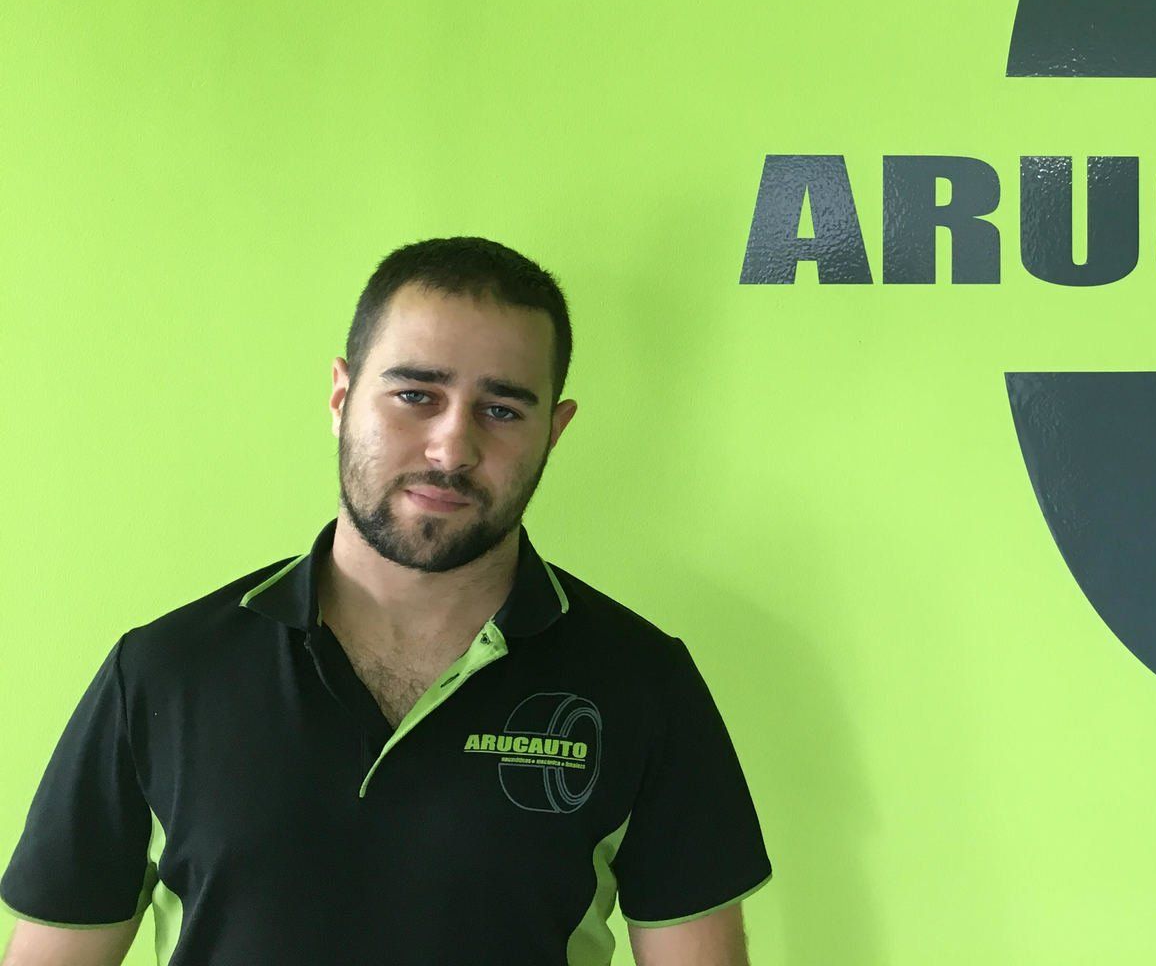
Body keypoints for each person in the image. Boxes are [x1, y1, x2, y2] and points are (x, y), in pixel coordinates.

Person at [0, 237, 771, 966]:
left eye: (502, 410)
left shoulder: (642, 682)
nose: (451, 448)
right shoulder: (165, 671)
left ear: (554, 430)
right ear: (341, 396)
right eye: (415, 395)